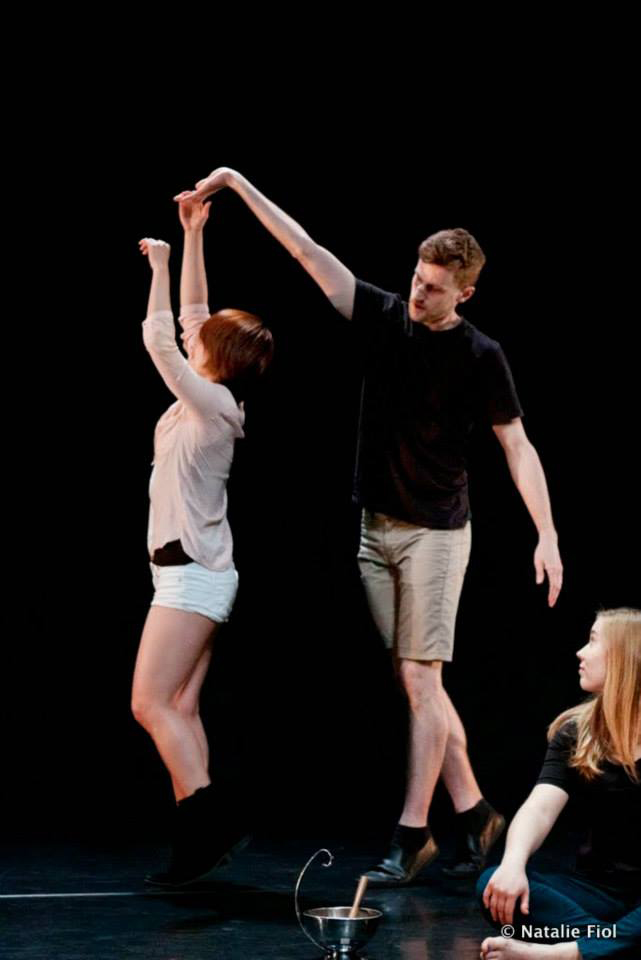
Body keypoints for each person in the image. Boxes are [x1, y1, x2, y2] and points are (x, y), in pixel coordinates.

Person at [174, 168, 563, 884]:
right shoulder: (384, 315)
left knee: (420, 680)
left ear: (465, 294)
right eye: (416, 278)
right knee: (416, 683)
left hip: (437, 533)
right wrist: (235, 183)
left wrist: (547, 534)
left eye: (435, 287)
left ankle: (412, 835)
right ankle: (476, 811)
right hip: (375, 530)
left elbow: (516, 443)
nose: (418, 293)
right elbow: (304, 249)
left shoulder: (482, 356)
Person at [131, 197, 273, 887]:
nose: (198, 334)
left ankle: (214, 819)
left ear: (219, 355)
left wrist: (156, 264)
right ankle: (198, 842)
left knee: (150, 704)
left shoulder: (214, 404)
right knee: (180, 707)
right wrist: (192, 235)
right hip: (189, 573)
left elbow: (160, 339)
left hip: (193, 577)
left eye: (208, 336)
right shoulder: (211, 391)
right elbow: (191, 319)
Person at [478, 607, 641, 958]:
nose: (580, 652)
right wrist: (512, 864)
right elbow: (539, 808)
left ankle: (564, 953)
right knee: (493, 886)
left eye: (594, 641)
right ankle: (610, 946)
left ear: (626, 657)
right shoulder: (578, 730)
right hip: (602, 895)